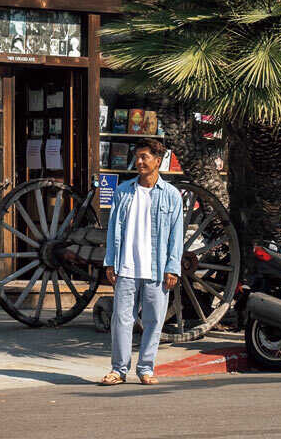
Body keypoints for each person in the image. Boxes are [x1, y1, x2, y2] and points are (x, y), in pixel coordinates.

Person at [99, 138, 184, 386]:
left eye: (144, 157)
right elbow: (113, 229)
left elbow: (176, 236)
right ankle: (119, 370)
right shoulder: (123, 191)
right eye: (137, 157)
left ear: (158, 161)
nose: (139, 161)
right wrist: (110, 263)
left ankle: (146, 368)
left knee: (153, 320)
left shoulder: (171, 196)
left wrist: (172, 267)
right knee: (121, 319)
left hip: (156, 270)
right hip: (126, 266)